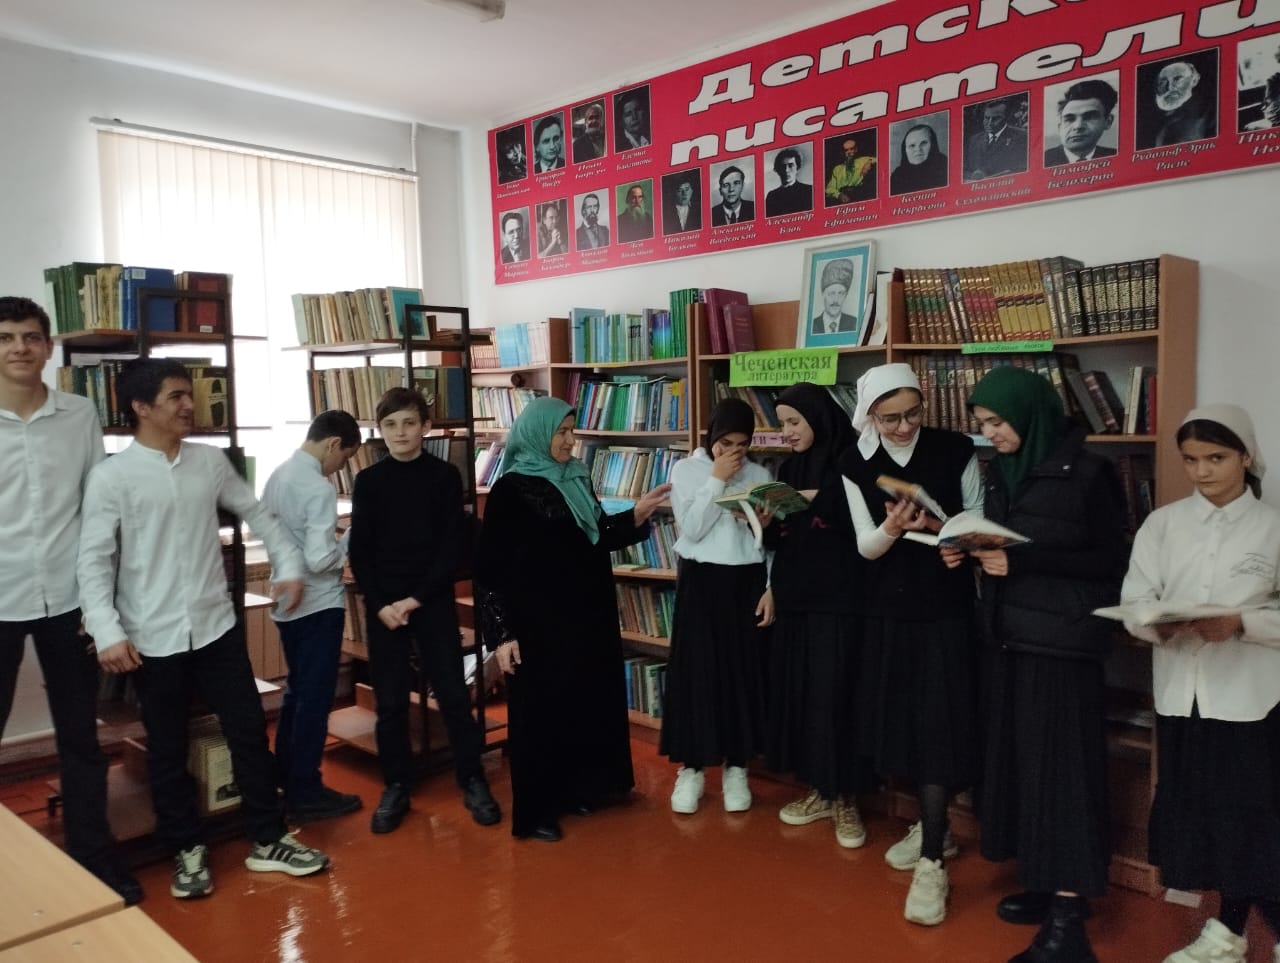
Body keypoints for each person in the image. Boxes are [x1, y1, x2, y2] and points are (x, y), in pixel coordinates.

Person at [79, 358, 330, 900]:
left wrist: (287, 566)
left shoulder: (209, 462)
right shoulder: (111, 477)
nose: (189, 405)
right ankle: (187, 849)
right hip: (151, 636)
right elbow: (94, 559)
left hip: (216, 628)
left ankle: (268, 838)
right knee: (167, 748)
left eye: (188, 395)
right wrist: (106, 629)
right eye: (175, 397)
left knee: (248, 731)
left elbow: (260, 515)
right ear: (141, 408)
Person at [948, 365, 1127, 963]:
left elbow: (1110, 563)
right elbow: (1005, 543)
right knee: (1025, 770)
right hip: (1010, 639)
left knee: (1064, 776)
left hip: (1062, 647)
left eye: (998, 422)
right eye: (982, 424)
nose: (990, 434)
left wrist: (1023, 561)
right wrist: (968, 550)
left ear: (1030, 415)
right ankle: (1049, 885)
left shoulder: (1091, 473)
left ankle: (1069, 924)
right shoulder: (1000, 470)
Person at [1120, 405, 1280, 963]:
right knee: (1204, 824)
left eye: (1216, 458)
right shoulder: (1162, 525)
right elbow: (1136, 600)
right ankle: (1227, 932)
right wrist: (1155, 624)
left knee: (1252, 826)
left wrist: (1242, 623)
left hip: (1250, 701)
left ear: (1246, 457)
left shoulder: (1273, 528)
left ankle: (1236, 932)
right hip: (1181, 697)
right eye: (1190, 460)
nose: (1202, 472)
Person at [474, 397, 671, 841]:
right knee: (540, 714)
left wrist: (636, 515)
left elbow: (595, 537)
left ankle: (579, 789)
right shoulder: (511, 490)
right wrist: (502, 634)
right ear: (538, 434)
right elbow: (490, 569)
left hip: (586, 615)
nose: (570, 441)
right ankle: (538, 811)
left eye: (571, 431)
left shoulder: (576, 477)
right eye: (561, 433)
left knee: (582, 704)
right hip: (537, 623)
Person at [0, 297, 139, 904]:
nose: (19, 347)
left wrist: (105, 599)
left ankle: (93, 860)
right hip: (0, 599)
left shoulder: (79, 414)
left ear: (48, 347)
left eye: (30, 337)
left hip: (69, 598)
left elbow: (97, 506)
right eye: (6, 337)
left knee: (81, 737)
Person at [839, 364, 981, 927]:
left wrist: (956, 539)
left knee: (940, 724)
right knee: (907, 723)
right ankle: (934, 828)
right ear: (870, 415)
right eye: (890, 418)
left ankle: (931, 863)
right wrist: (893, 529)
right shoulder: (854, 462)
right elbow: (864, 547)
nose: (903, 427)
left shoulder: (954, 449)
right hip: (889, 611)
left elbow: (977, 519)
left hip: (945, 609)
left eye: (913, 414)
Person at [347, 387, 501, 835]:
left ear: (425, 427)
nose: (400, 432)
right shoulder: (369, 482)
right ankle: (396, 785)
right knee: (390, 702)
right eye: (390, 424)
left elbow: (451, 547)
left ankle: (472, 778)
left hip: (430, 601)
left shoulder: (444, 477)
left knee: (453, 695)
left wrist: (414, 599)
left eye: (409, 423)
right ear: (380, 430)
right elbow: (361, 552)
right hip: (385, 609)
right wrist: (381, 605)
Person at [763, 383, 873, 851]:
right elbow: (785, 539)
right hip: (796, 599)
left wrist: (818, 498)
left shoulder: (851, 463)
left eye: (794, 422)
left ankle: (847, 796)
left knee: (837, 696)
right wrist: (765, 524)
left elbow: (864, 527)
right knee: (806, 695)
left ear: (818, 419)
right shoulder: (787, 469)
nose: (786, 432)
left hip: (840, 600)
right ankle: (819, 789)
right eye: (782, 423)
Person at [661, 399, 773, 814]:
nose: (734, 452)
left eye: (742, 445)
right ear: (712, 437)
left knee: (741, 673)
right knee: (698, 673)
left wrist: (761, 525)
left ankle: (737, 767)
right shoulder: (687, 470)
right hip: (702, 580)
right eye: (725, 443)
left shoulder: (760, 474)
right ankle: (691, 768)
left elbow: (769, 545)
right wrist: (716, 480)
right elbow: (692, 528)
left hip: (746, 581)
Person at [261, 410, 363, 823]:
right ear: (333, 444)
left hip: (286, 601)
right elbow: (321, 559)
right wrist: (351, 536)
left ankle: (286, 776)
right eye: (344, 458)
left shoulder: (278, 475)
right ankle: (307, 790)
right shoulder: (318, 488)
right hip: (319, 603)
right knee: (315, 700)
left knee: (297, 693)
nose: (339, 468)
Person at [1141, 60, 1217, 148]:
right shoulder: (1147, 117)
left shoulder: (1208, 114)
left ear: (1194, 81)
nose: (1170, 87)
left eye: (1177, 80)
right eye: (1163, 82)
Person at [1044, 79, 1118, 167]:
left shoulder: (1116, 156)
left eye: (1089, 117)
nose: (1078, 126)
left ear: (1108, 121)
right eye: (1069, 119)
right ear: (1060, 127)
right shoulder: (1043, 160)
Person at [964, 100, 1029, 180]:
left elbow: (1023, 169)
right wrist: (973, 176)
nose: (989, 123)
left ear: (1006, 118)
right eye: (987, 118)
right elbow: (964, 170)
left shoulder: (1022, 137)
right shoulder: (974, 140)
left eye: (995, 119)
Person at [890, 123, 949, 195]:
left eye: (923, 143)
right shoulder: (897, 177)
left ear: (933, 145)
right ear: (905, 150)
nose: (918, 149)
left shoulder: (946, 167)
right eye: (912, 145)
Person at [810, 259, 858, 336]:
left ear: (846, 295)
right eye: (832, 293)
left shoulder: (854, 324)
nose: (836, 300)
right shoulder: (811, 327)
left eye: (841, 293)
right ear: (823, 293)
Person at [824, 137, 876, 205]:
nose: (849, 152)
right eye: (846, 150)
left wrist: (869, 162)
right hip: (841, 199)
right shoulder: (837, 169)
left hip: (858, 196)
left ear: (856, 150)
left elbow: (880, 158)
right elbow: (829, 189)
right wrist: (838, 195)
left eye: (851, 149)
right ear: (843, 152)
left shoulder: (863, 160)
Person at [764, 147, 813, 217]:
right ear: (778, 170)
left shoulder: (809, 191)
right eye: (783, 166)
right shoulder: (772, 196)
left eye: (790, 166)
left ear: (797, 168)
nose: (786, 170)